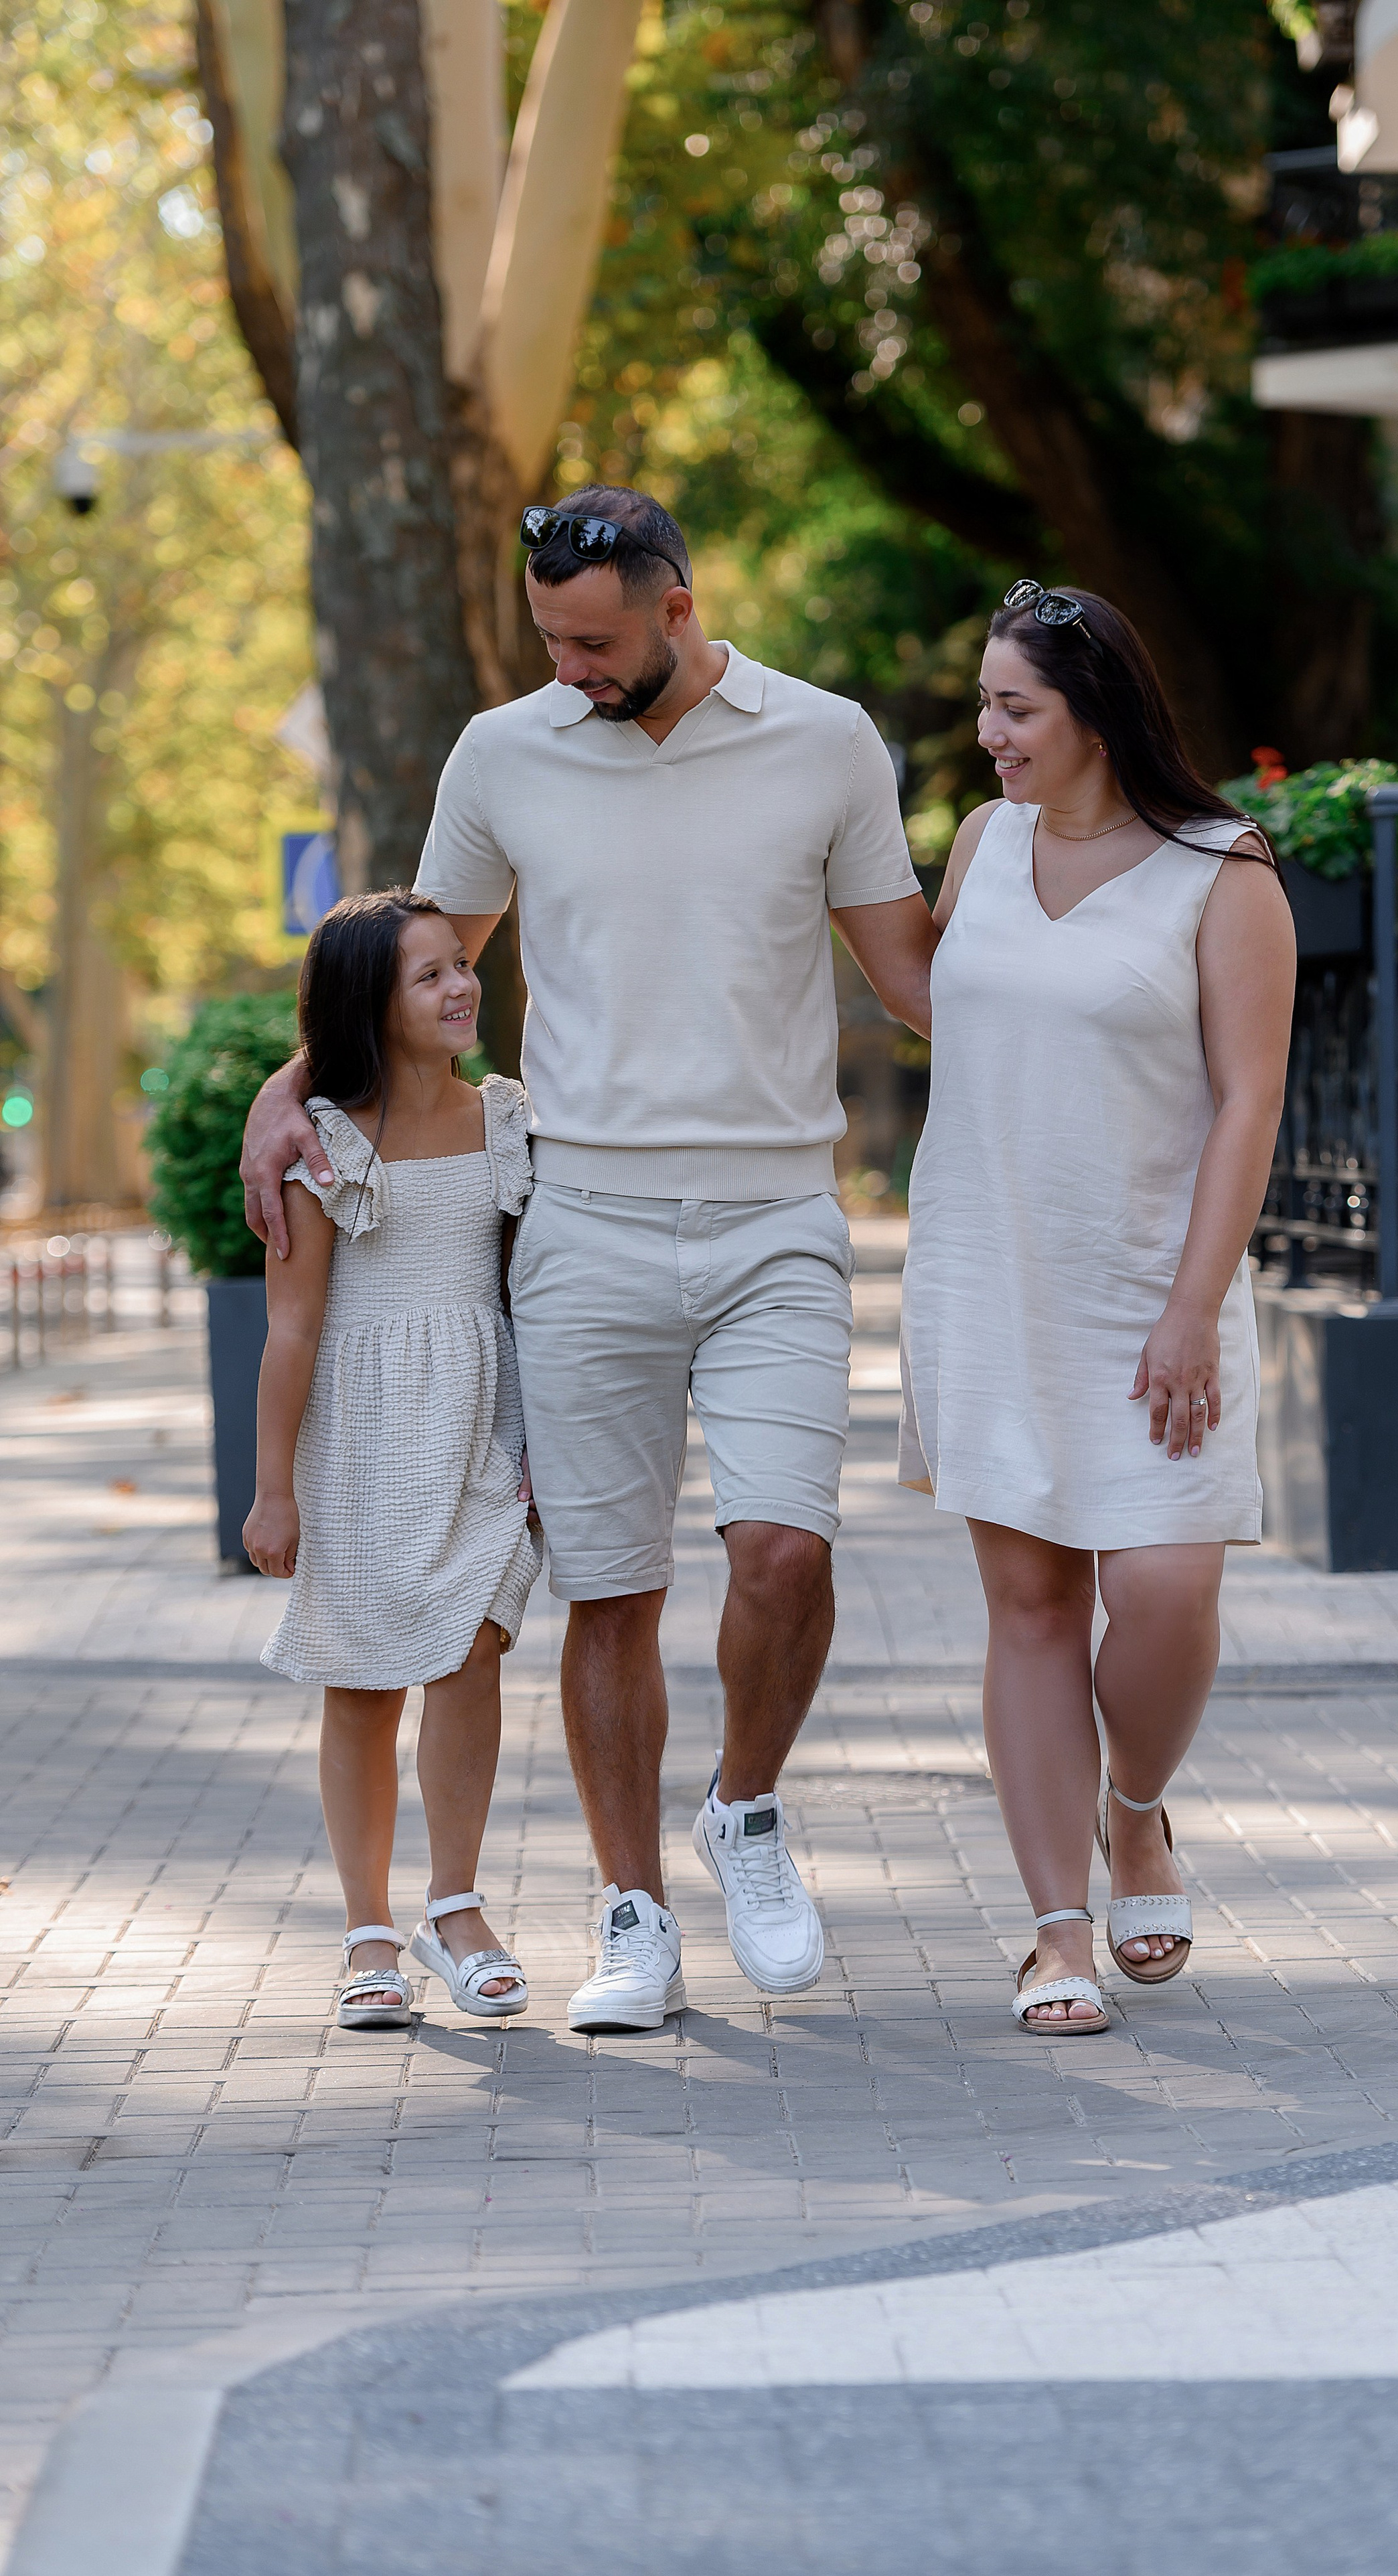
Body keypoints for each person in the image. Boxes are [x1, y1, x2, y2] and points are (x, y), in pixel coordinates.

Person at [241, 487, 935, 2036]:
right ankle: (633, 1912)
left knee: (785, 1552)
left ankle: (742, 1809)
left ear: (678, 608)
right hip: (582, 1217)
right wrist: (282, 1093)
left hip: (772, 1214)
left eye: (597, 639)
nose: (568, 665)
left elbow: (915, 982)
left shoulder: (823, 741)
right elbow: (416, 964)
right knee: (607, 1590)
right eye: (551, 637)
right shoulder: (504, 752)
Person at [899, 580, 1296, 2035]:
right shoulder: (987, 846)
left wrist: (1192, 1306)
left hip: (1150, 1284)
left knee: (1169, 1591)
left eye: (1015, 708)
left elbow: (1249, 1101)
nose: (988, 734)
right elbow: (961, 1009)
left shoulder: (1218, 869)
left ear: (1094, 716)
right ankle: (1054, 1932)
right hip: (987, 1273)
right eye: (989, 703)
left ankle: (1137, 1812)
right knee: (1029, 1606)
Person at [243, 890, 542, 2030]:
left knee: (471, 1656)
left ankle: (455, 1908)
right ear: (372, 1001)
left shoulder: (506, 1118)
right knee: (365, 1687)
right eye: (428, 976)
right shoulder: (324, 1144)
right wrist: (273, 1491)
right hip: (361, 1438)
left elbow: (521, 1288)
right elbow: (292, 1329)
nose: (460, 986)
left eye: (459, 966)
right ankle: (370, 1933)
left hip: (478, 1424)